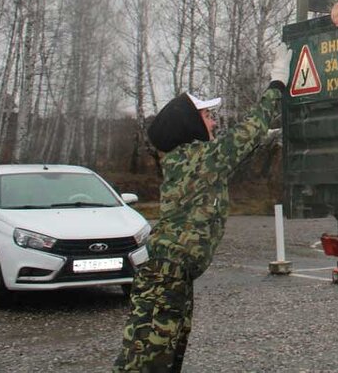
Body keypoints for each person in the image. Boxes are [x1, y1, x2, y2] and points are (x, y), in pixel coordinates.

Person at [113, 52, 288, 373]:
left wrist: (272, 137)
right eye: (208, 116)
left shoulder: (193, 159)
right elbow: (245, 135)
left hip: (173, 276)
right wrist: (277, 83)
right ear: (189, 124)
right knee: (144, 364)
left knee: (165, 359)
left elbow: (240, 150)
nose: (215, 121)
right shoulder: (196, 159)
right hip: (166, 276)